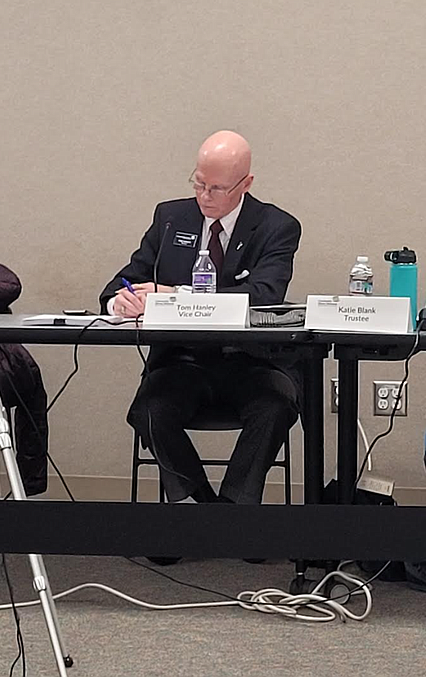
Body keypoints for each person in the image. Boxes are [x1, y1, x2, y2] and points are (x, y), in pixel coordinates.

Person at [99, 130, 301, 509]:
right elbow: (120, 283)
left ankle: (236, 507)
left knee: (275, 407)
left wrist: (176, 297)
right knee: (148, 410)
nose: (205, 196)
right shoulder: (171, 218)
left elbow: (263, 296)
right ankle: (201, 509)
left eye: (218, 188)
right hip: (183, 362)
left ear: (246, 184)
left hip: (252, 361)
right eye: (199, 183)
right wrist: (120, 302)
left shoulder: (277, 226)